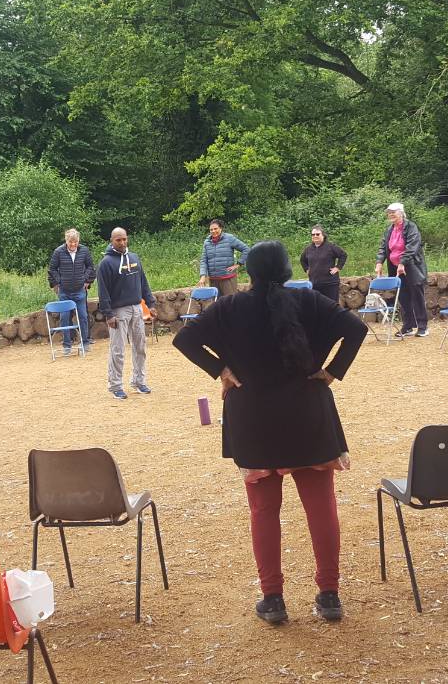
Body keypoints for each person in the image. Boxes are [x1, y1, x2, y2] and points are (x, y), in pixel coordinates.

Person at [172, 242, 367, 625]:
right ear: (286, 270)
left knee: (263, 512)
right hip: (309, 417)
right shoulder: (309, 301)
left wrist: (221, 370)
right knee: (321, 508)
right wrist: (332, 371)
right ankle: (329, 595)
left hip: (253, 420)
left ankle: (273, 599)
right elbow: (356, 329)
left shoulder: (229, 307)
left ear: (249, 272)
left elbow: (184, 339)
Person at [96, 227, 155, 399]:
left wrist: (150, 303)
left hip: (136, 308)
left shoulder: (134, 258)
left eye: (124, 239)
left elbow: (143, 282)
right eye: (118, 240)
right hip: (118, 311)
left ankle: (139, 381)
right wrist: (108, 314)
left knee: (140, 347)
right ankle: (115, 385)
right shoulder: (106, 263)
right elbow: (103, 291)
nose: (122, 243)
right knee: (118, 350)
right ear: (111, 241)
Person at [374, 202, 429, 338]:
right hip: (395, 267)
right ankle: (408, 326)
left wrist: (402, 262)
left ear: (401, 213)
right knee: (403, 296)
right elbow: (383, 247)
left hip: (412, 266)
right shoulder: (389, 229)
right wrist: (379, 262)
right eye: (389, 212)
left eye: (393, 212)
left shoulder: (411, 227)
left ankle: (423, 326)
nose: (390, 214)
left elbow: (412, 246)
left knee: (417, 295)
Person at [48, 229, 97, 355]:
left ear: (78, 241)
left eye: (75, 242)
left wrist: (87, 280)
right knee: (64, 318)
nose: (73, 244)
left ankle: (85, 343)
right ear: (66, 241)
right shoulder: (58, 252)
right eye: (71, 242)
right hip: (64, 291)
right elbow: (52, 269)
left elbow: (91, 267)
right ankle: (67, 345)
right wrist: (58, 282)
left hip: (80, 290)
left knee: (83, 317)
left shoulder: (84, 250)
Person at [199, 219, 250, 298]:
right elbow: (204, 260)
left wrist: (238, 264)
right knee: (217, 303)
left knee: (230, 302)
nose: (213, 231)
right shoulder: (207, 242)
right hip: (213, 280)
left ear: (221, 228)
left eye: (215, 228)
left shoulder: (229, 238)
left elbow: (246, 249)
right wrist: (203, 276)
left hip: (227, 279)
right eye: (211, 229)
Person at [299, 226, 347, 304]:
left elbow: (343, 255)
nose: (315, 236)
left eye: (317, 234)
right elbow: (302, 260)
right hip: (314, 284)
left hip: (330, 284)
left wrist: (338, 267)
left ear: (323, 235)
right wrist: (307, 269)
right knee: (317, 307)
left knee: (332, 306)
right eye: (313, 234)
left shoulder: (331, 247)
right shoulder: (308, 249)